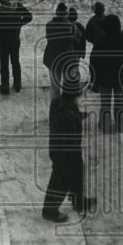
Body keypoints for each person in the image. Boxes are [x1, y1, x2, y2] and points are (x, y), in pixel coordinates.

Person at [41, 89, 95, 222]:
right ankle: (49, 211)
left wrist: (79, 115)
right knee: (60, 181)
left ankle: (79, 201)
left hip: (62, 148)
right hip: (66, 152)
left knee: (78, 171)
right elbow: (69, 130)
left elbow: (70, 112)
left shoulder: (58, 102)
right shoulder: (68, 115)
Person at [0, 0, 33, 94]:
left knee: (4, 64)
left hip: (4, 41)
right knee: (15, 62)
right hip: (15, 39)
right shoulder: (17, 6)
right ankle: (17, 84)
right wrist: (19, 23)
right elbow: (29, 17)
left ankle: (5, 87)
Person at [93, 14, 123, 133]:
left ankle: (104, 125)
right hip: (121, 78)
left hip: (104, 79)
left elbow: (94, 61)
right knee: (120, 103)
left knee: (105, 104)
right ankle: (121, 126)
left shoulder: (100, 42)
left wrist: (95, 79)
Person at [43, 3, 76, 99]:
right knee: (68, 88)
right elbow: (72, 40)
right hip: (67, 59)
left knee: (54, 88)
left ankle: (55, 109)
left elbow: (49, 38)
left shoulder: (49, 25)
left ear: (57, 11)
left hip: (52, 58)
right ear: (66, 13)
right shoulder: (71, 26)